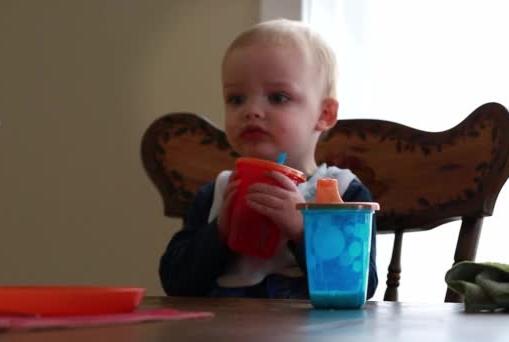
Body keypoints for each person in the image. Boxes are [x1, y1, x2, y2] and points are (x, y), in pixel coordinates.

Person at [159, 19, 378, 299]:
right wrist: (220, 232)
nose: (251, 111)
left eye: (278, 97)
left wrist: (303, 232)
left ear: (324, 115)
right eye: (236, 99)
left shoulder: (343, 191)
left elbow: (359, 286)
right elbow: (175, 283)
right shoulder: (218, 193)